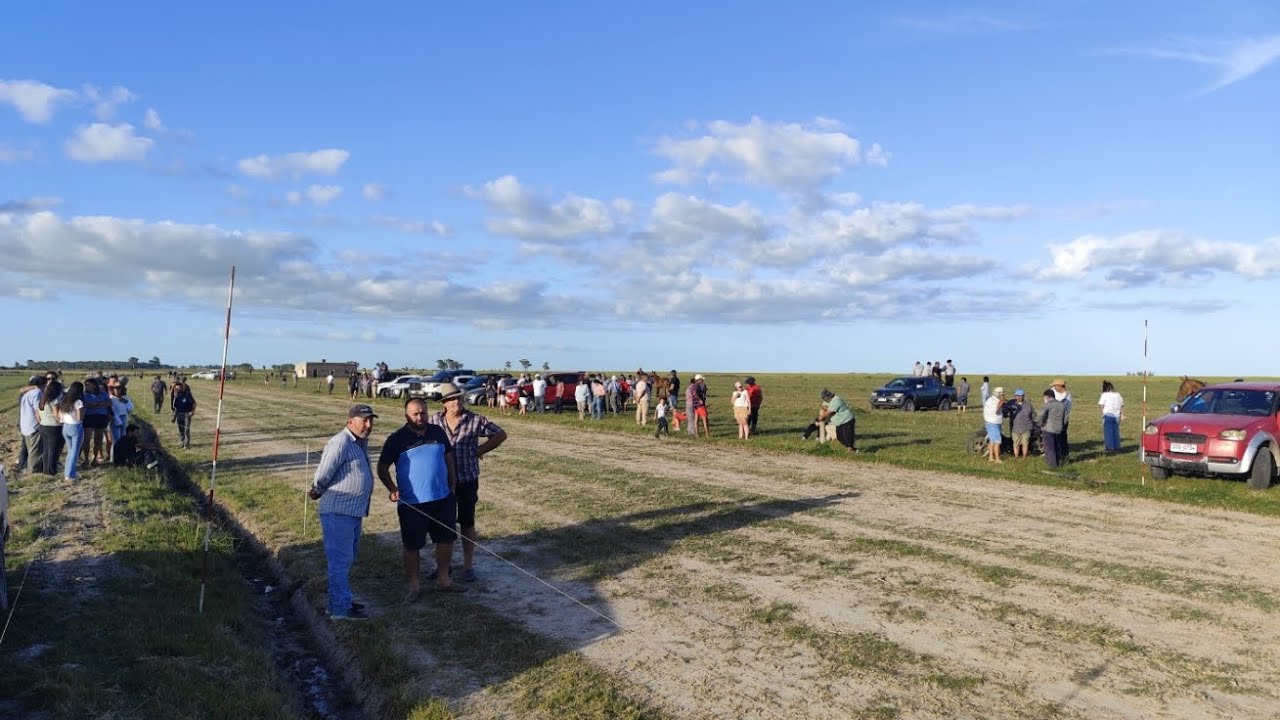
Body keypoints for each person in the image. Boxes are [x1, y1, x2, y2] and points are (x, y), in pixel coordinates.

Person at [377, 398, 465, 599]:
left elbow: (448, 458)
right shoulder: (397, 439)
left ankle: (444, 579)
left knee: (446, 540)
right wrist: (392, 488)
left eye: (423, 412)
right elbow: (382, 467)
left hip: (443, 498)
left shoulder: (438, 432)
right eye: (415, 414)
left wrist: (452, 484)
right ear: (406, 416)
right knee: (412, 546)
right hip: (412, 503)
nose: (420, 417)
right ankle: (414, 586)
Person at [428, 384, 507, 582]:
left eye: (458, 398)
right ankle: (443, 566)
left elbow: (500, 434)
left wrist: (480, 450)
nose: (456, 402)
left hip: (467, 480)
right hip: (442, 482)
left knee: (467, 522)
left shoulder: (475, 420)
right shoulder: (434, 421)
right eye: (451, 399)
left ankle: (468, 566)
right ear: (444, 403)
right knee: (442, 525)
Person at [309, 404, 378, 620]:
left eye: (371, 420)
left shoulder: (359, 443)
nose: (368, 425)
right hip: (338, 512)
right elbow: (323, 472)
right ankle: (339, 609)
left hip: (352, 512)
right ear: (350, 421)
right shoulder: (340, 442)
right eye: (364, 420)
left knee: (346, 560)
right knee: (339, 561)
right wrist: (317, 489)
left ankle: (340, 600)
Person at [56, 381, 86, 480]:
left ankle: (67, 473)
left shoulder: (64, 400)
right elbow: (79, 418)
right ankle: (70, 475)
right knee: (74, 452)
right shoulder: (78, 402)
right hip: (75, 427)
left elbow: (59, 415)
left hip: (65, 427)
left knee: (70, 450)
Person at [81, 378, 112, 465]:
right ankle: (86, 459)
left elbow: (109, 403)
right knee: (87, 438)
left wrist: (96, 404)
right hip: (89, 416)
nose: (86, 386)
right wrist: (101, 404)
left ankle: (94, 458)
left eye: (89, 385)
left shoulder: (103, 393)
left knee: (98, 438)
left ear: (94, 385)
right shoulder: (84, 394)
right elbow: (86, 404)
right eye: (86, 385)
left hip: (101, 417)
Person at [17, 377, 45, 474]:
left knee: (30, 449)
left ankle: (29, 468)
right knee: (34, 451)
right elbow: (38, 411)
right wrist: (42, 423)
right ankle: (32, 471)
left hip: (25, 425)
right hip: (34, 425)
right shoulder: (37, 393)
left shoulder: (26, 394)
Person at [37, 380, 63, 476]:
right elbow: (56, 415)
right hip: (53, 427)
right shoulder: (54, 401)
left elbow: (38, 413)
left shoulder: (42, 399)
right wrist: (61, 421)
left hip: (43, 425)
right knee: (53, 450)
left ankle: (45, 469)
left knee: (46, 449)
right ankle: (51, 470)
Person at [1038, 389, 1066, 468]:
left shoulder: (1048, 404)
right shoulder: (1062, 404)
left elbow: (1041, 415)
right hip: (1059, 428)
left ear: (1047, 396)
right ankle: (1058, 462)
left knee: (1049, 447)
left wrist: (1040, 424)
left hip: (1049, 428)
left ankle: (1052, 465)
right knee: (1057, 446)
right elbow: (1064, 417)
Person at [1098, 380, 1124, 453]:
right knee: (1116, 432)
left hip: (1108, 415)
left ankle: (1109, 448)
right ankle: (1117, 447)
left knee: (1108, 432)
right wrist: (1121, 414)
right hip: (1117, 415)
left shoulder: (1104, 395)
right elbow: (1122, 405)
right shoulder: (1118, 395)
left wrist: (1103, 412)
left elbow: (1101, 405)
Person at [1010, 389, 1035, 458]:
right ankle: (1016, 457)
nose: (1019, 397)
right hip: (1016, 428)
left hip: (1026, 428)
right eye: (1017, 396)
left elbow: (1033, 415)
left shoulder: (1029, 405)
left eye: (1020, 396)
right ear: (1015, 396)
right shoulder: (1012, 405)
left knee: (1025, 443)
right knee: (1016, 444)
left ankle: (1024, 457)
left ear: (1023, 396)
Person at [1052, 378, 1073, 462]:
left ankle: (1063, 458)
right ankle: (1056, 458)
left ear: (1060, 386)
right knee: (1055, 440)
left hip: (1062, 421)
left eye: (1055, 386)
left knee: (1062, 440)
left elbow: (1062, 407)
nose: (1054, 387)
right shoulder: (1052, 391)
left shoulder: (1068, 396)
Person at [982, 386, 1005, 463]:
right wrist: (1002, 402)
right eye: (1002, 394)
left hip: (992, 422)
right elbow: (996, 410)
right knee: (997, 441)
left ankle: (991, 457)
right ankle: (997, 458)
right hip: (993, 423)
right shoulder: (993, 401)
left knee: (992, 441)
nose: (1003, 395)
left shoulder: (991, 399)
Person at [172, 382, 196, 449]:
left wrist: (192, 411)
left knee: (186, 430)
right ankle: (182, 443)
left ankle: (186, 445)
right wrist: (174, 418)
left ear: (182, 387)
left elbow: (194, 403)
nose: (177, 389)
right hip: (179, 415)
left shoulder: (187, 394)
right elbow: (176, 408)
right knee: (181, 430)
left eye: (178, 388)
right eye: (176, 388)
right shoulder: (177, 397)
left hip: (186, 414)